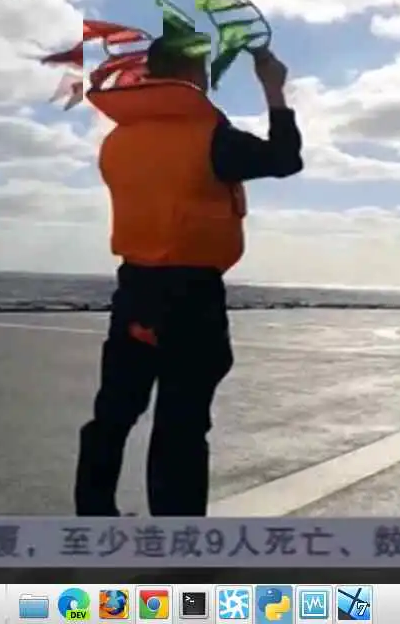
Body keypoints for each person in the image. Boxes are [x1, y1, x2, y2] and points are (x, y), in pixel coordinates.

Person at [73, 39, 303, 516]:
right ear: (195, 73)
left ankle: (93, 519)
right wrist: (273, 88)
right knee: (181, 426)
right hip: (191, 297)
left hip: (134, 290)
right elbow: (284, 159)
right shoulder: (212, 137)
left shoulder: (117, 140)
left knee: (113, 413)